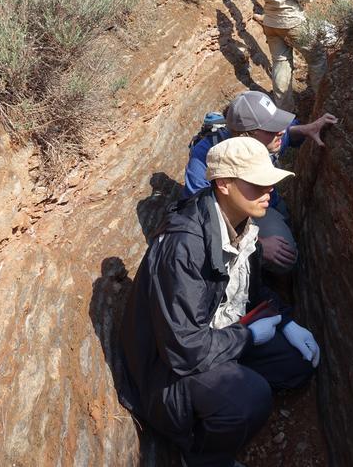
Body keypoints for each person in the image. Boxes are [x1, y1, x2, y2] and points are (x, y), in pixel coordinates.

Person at [119, 137, 319, 467]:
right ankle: (203, 457)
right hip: (165, 375)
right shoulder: (185, 246)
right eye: (257, 183)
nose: (268, 190)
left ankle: (224, 400)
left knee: (295, 364)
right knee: (251, 397)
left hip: (217, 334)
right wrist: (248, 338)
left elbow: (250, 293)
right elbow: (184, 351)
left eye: (269, 181)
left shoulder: (242, 224)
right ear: (224, 184)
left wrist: (286, 320)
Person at [184, 90, 337, 274]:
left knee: (284, 227)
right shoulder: (205, 158)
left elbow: (286, 134)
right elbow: (201, 214)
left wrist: (304, 129)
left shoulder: (266, 140)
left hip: (265, 205)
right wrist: (258, 245)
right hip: (231, 220)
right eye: (272, 128)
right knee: (285, 257)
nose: (280, 131)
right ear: (247, 135)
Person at [260, 0, 327, 112]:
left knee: (280, 63)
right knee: (317, 57)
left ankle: (285, 112)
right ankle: (321, 104)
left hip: (271, 22)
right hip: (292, 21)